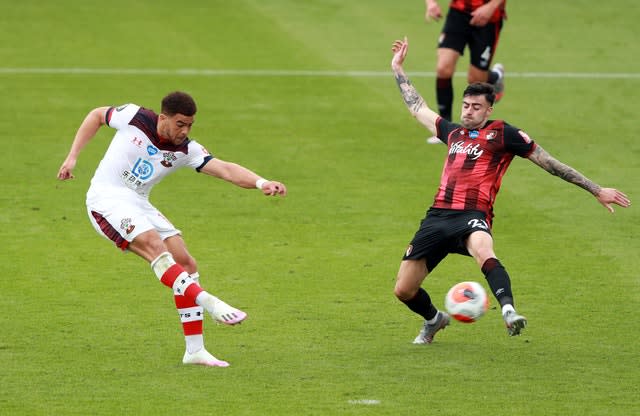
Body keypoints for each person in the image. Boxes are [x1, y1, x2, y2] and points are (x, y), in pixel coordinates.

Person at [390, 37, 631, 343]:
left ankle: (508, 312)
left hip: (473, 214)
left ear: (489, 108)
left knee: (483, 249)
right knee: (403, 290)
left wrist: (595, 189)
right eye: (465, 105)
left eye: (476, 107)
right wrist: (397, 68)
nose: (468, 111)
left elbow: (549, 163)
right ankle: (435, 319)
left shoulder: (504, 133)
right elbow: (417, 107)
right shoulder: (452, 133)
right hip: (437, 216)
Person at [57, 91, 287, 367]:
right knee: (155, 246)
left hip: (138, 202)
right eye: (180, 124)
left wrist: (262, 183)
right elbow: (96, 115)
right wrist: (72, 158)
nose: (185, 130)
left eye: (190, 125)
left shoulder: (186, 150)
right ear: (163, 118)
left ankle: (195, 351)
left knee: (185, 261)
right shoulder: (134, 116)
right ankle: (212, 304)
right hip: (106, 199)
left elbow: (225, 169)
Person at [424, 0, 507, 144]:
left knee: (476, 80)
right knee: (443, 68)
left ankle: (495, 76)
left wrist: (490, 7)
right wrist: (431, 3)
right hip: (459, 12)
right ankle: (444, 128)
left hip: (489, 17)